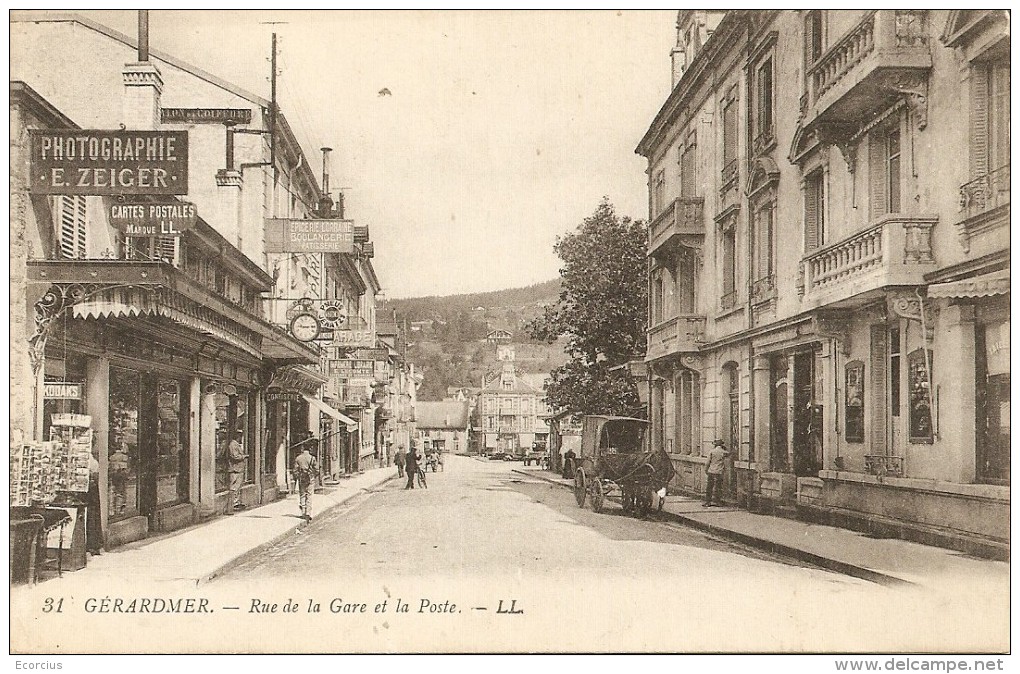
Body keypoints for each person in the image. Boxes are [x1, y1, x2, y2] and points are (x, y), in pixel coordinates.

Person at [293, 442, 319, 521]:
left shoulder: (298, 458)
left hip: (302, 478)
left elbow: (295, 470)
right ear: (309, 449)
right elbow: (317, 469)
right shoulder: (312, 458)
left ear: (302, 448)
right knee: (309, 495)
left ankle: (303, 512)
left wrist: (297, 477)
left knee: (302, 494)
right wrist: (313, 475)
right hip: (310, 478)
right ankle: (308, 513)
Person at [86, 450, 102, 556]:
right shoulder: (92, 460)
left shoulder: (90, 459)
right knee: (93, 516)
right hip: (91, 491)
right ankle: (93, 545)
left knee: (92, 516)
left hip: (90, 491)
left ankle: (92, 544)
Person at [704, 439, 728, 507]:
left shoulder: (712, 451)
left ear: (715, 445)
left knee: (709, 487)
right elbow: (728, 453)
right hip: (719, 472)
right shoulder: (724, 452)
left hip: (711, 471)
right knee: (718, 487)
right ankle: (718, 502)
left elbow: (707, 462)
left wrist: (706, 470)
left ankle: (708, 502)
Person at [228, 430, 248, 511]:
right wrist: (244, 456)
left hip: (238, 469)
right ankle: (234, 503)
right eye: (240, 436)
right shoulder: (233, 444)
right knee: (235, 486)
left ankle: (236, 502)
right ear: (237, 436)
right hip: (235, 468)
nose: (241, 439)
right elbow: (235, 456)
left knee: (237, 486)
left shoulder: (235, 444)